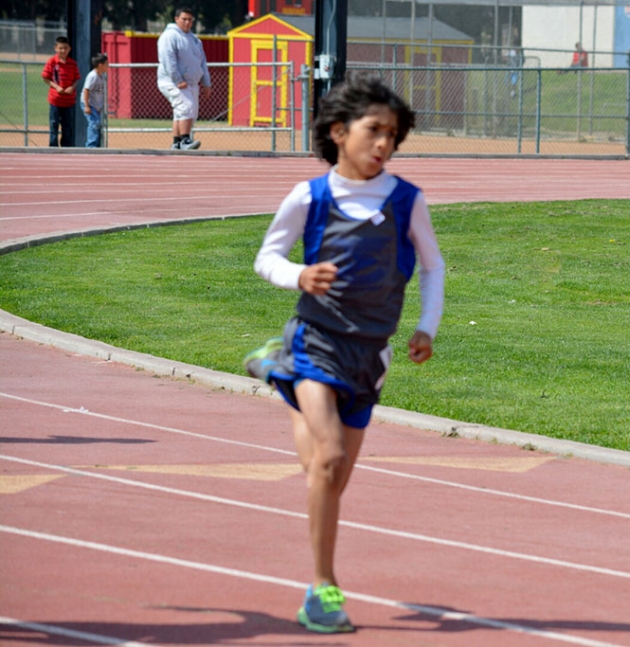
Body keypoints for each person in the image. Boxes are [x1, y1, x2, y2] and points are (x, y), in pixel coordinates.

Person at [243, 72, 445, 633]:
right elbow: (267, 256)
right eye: (374, 131)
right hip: (317, 340)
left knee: (326, 476)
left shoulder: (407, 200)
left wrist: (426, 327)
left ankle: (273, 369)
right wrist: (300, 274)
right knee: (328, 458)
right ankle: (322, 589)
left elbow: (432, 267)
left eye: (393, 135)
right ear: (338, 131)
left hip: (370, 355)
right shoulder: (311, 196)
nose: (384, 144)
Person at [157, 7, 211, 151]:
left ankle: (176, 143)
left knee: (183, 112)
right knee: (186, 107)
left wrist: (206, 83)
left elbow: (202, 62)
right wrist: (177, 79)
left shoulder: (195, 40)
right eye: (184, 19)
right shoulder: (170, 36)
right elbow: (168, 59)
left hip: (191, 82)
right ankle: (185, 140)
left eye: (190, 20)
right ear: (176, 19)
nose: (187, 23)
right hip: (174, 82)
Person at [41, 36, 80, 147]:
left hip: (69, 101)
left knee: (67, 126)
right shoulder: (52, 62)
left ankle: (66, 148)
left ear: (69, 49)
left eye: (65, 48)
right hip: (55, 100)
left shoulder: (72, 64)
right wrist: (56, 87)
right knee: (54, 125)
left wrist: (72, 87)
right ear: (56, 48)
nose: (63, 51)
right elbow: (45, 77)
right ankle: (53, 147)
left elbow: (77, 79)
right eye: (61, 48)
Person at [82, 53, 109, 148]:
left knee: (98, 124)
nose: (108, 66)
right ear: (100, 65)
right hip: (89, 104)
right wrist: (87, 106)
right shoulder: (92, 76)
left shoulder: (101, 76)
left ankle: (97, 145)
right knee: (94, 124)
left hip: (95, 105)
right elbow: (86, 90)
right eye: (106, 64)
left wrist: (99, 106)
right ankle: (91, 146)